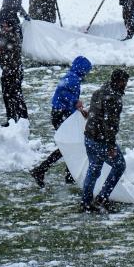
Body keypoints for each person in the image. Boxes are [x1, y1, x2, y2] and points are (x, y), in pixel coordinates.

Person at [31, 56, 92, 188]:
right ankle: (43, 170)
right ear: (82, 69)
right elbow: (64, 93)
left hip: (61, 114)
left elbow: (65, 95)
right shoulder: (73, 78)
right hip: (61, 115)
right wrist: (75, 102)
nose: (87, 73)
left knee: (71, 145)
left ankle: (66, 175)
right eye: (86, 70)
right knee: (69, 146)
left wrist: (78, 108)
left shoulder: (72, 76)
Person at [77, 68, 129, 214]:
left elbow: (95, 113)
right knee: (119, 165)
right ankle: (102, 198)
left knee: (93, 170)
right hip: (101, 140)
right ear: (120, 81)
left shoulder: (99, 91)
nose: (125, 84)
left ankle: (86, 203)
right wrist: (111, 146)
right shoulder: (114, 99)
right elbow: (110, 125)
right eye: (124, 81)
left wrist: (87, 114)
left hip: (89, 137)